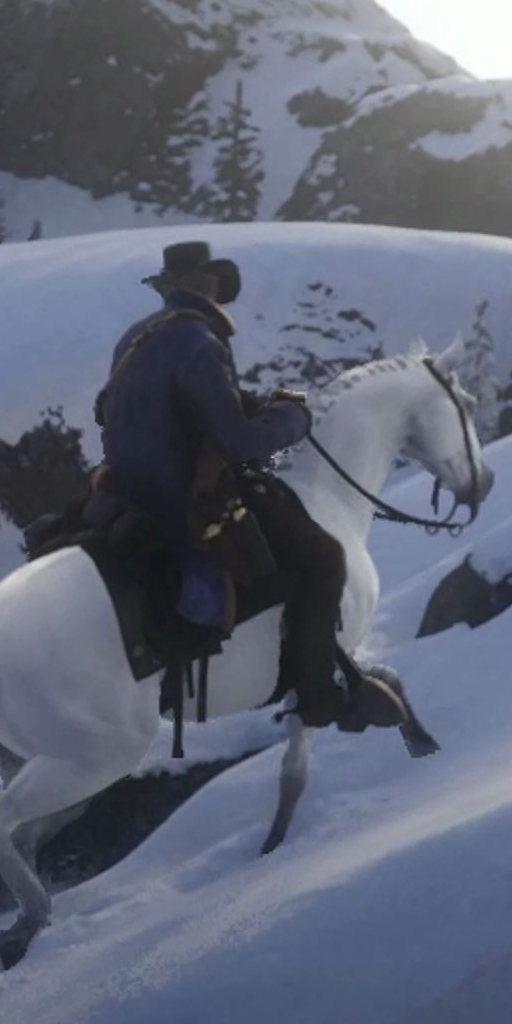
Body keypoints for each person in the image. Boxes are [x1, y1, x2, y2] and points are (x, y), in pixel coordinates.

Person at [91, 240, 370, 727]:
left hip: (128, 491)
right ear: (209, 285)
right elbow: (240, 444)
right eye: (216, 283)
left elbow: (119, 407)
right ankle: (317, 694)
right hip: (182, 499)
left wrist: (239, 402)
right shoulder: (199, 341)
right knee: (325, 559)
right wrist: (291, 418)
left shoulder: (137, 336)